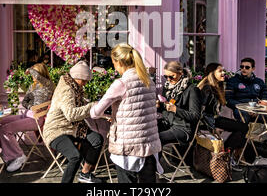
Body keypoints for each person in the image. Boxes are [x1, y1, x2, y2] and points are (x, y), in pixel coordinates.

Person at [89, 43, 162, 183]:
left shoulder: (121, 83)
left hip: (127, 146)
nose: (114, 67)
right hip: (149, 144)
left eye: (113, 63)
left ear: (119, 62)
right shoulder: (148, 81)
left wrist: (97, 108)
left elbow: (95, 113)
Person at [42, 61, 103, 183]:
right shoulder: (67, 90)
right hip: (56, 130)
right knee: (75, 157)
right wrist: (91, 106)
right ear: (77, 77)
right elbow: (71, 115)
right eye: (84, 80)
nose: (85, 84)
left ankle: (85, 173)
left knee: (97, 140)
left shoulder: (74, 87)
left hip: (72, 128)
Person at [0, 63, 55, 172]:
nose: (32, 76)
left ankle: (18, 156)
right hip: (25, 115)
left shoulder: (48, 85)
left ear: (40, 73)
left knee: (6, 129)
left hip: (35, 119)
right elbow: (24, 102)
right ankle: (5, 153)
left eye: (35, 73)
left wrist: (29, 69)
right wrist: (31, 106)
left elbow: (41, 79)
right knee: (0, 123)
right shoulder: (32, 86)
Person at [197, 63, 249, 158]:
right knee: (243, 128)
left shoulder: (216, 87)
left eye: (223, 71)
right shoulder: (207, 88)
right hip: (208, 121)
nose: (223, 73)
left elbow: (225, 103)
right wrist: (212, 127)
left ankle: (226, 153)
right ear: (212, 73)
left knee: (242, 129)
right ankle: (227, 154)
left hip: (214, 119)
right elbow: (200, 111)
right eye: (220, 71)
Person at [156, 61, 202, 146]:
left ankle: (157, 159)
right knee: (146, 134)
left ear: (180, 73)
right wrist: (160, 106)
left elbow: (195, 116)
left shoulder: (192, 90)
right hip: (168, 123)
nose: (168, 79)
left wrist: (175, 110)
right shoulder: (168, 87)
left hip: (183, 128)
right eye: (166, 76)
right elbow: (167, 107)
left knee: (155, 139)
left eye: (171, 76)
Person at [225, 57, 267, 122]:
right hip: (241, 108)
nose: (243, 69)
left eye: (247, 67)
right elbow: (228, 100)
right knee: (244, 115)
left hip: (257, 109)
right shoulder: (233, 81)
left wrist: (258, 109)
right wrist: (244, 107)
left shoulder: (259, 82)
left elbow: (266, 97)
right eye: (242, 67)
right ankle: (244, 132)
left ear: (253, 69)